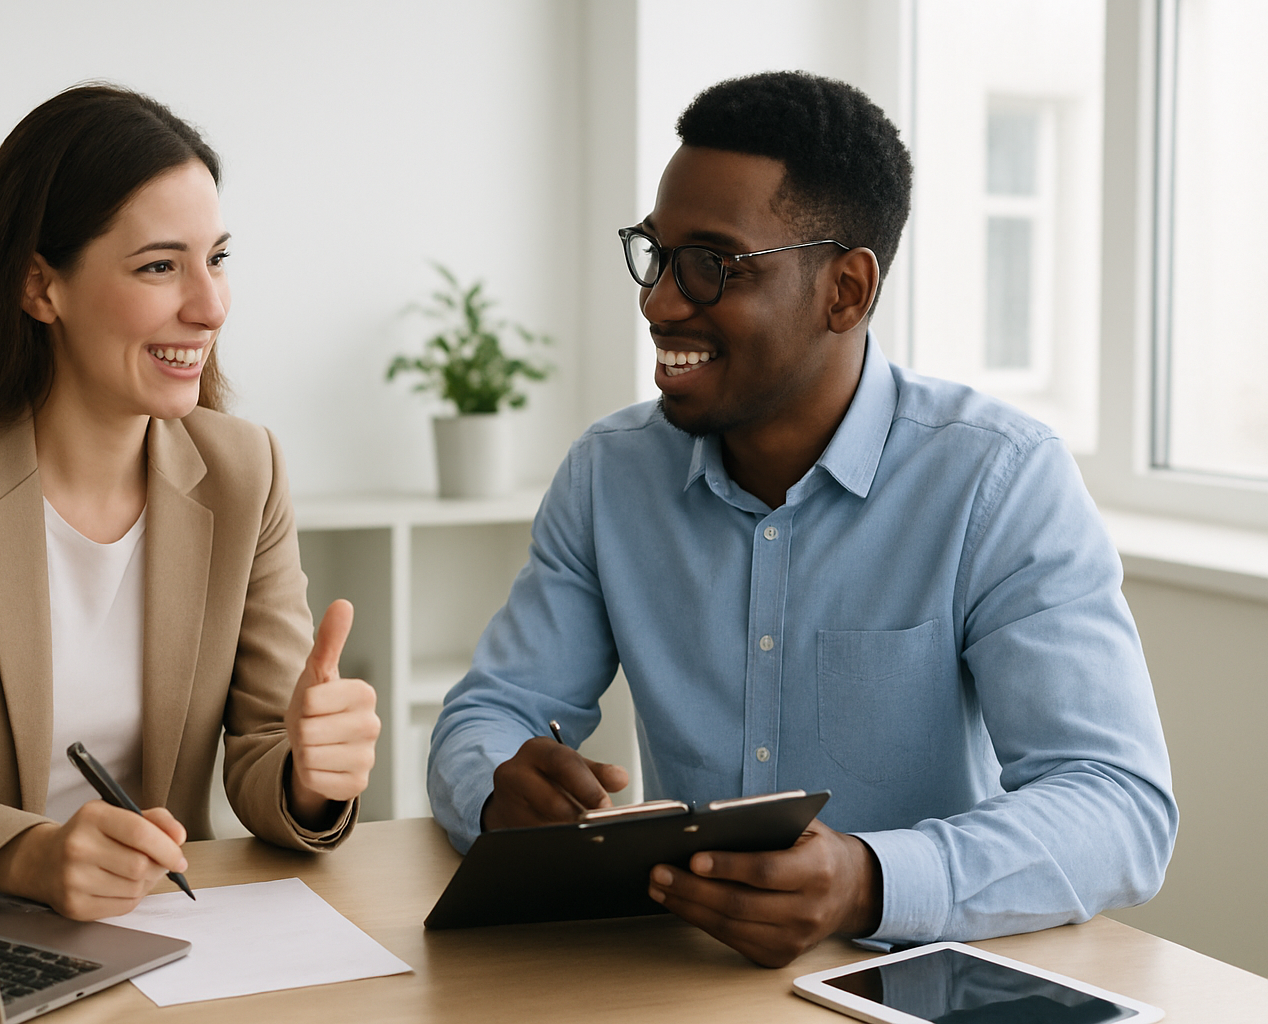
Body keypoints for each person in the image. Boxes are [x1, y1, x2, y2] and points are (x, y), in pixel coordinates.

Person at [427, 71, 1177, 967]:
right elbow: (492, 712)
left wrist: (867, 880)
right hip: (678, 979)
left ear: (847, 293)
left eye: (713, 265)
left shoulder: (997, 480)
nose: (661, 301)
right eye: (656, 254)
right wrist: (497, 791)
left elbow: (1118, 804)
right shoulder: (610, 474)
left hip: (902, 975)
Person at [0, 85, 380, 921]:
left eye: (217, 258)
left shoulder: (244, 469)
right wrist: (26, 854)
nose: (210, 305)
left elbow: (262, 753)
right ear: (42, 288)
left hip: (164, 933)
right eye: (159, 266)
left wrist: (311, 772)